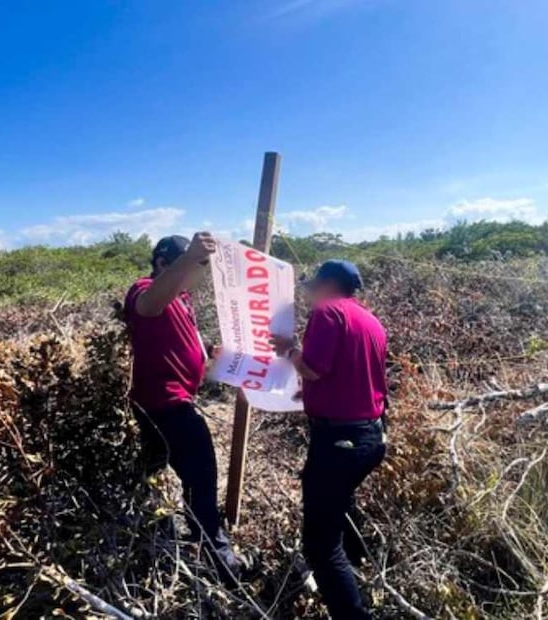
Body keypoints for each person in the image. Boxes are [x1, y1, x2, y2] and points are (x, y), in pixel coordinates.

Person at [123, 231, 243, 581]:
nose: (201, 271)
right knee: (202, 481)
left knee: (152, 476)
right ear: (163, 263)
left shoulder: (183, 299)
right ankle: (222, 564)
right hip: (165, 406)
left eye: (202, 265)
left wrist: (214, 363)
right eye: (197, 264)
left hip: (175, 401)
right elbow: (148, 305)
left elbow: (192, 363)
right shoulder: (145, 288)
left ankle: (152, 540)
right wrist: (189, 256)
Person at [272, 259, 388, 619]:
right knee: (339, 503)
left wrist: (288, 349)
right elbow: (349, 375)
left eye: (313, 285)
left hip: (340, 440)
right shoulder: (370, 321)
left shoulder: (328, 312)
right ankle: (357, 566)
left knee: (320, 545)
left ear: (328, 284)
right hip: (370, 436)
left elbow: (315, 368)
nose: (309, 294)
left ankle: (353, 612)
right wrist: (312, 394)